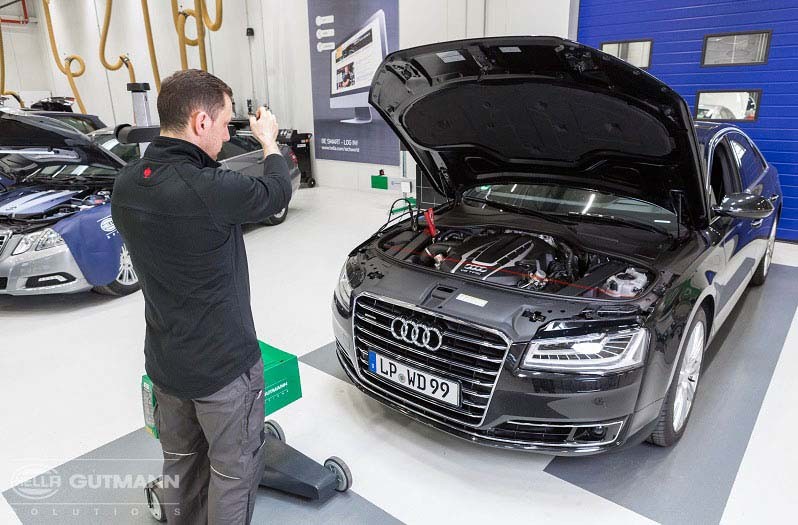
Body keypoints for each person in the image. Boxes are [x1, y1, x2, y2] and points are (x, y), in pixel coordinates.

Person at [111, 69, 291, 524]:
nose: (230, 133)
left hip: (167, 365)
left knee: (181, 466)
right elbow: (277, 189)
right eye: (227, 123)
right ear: (200, 122)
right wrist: (269, 141)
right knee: (233, 473)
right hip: (223, 370)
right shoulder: (209, 190)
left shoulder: (127, 184)